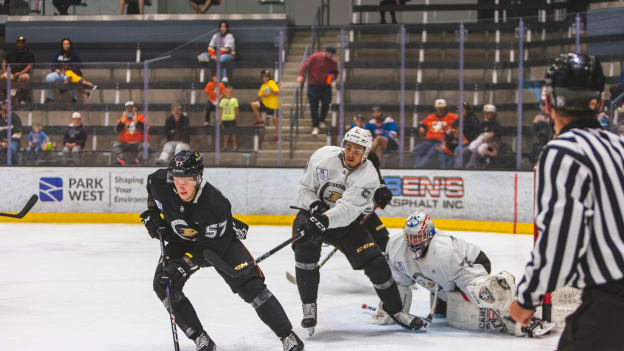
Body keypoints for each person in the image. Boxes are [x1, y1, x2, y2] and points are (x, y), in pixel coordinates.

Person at [509, 53, 624, 351]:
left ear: (548, 103)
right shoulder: (619, 147)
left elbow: (562, 237)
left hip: (612, 301)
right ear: (599, 103)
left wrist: (528, 297)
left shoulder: (563, 152)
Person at [140, 150, 304, 351]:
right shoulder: (160, 181)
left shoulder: (215, 203)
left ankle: (287, 335)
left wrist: (184, 264)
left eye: (187, 179)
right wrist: (153, 215)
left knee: (251, 286)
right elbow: (151, 188)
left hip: (219, 242)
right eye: (177, 178)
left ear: (199, 177)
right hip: (182, 239)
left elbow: (208, 250)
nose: (181, 184)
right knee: (163, 284)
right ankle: (201, 338)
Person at [291, 127, 426, 337]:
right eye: (349, 147)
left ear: (366, 153)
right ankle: (309, 307)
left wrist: (324, 219)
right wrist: (316, 206)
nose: (351, 153)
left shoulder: (369, 176)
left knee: (376, 263)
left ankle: (396, 310)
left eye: (358, 149)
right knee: (304, 255)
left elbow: (346, 211)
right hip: (312, 213)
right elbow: (304, 189)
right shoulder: (322, 156)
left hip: (343, 223)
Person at [369, 211, 555, 337]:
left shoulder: (444, 252)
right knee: (445, 313)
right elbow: (399, 282)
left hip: (473, 262)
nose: (413, 242)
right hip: (439, 280)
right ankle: (446, 300)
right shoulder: (396, 247)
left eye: (417, 237)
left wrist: (482, 293)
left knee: (482, 290)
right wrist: (393, 310)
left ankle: (524, 321)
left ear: (429, 234)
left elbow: (470, 279)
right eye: (410, 237)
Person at [296, 45, 338, 136]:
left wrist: (333, 77)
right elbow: (305, 65)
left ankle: (322, 119)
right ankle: (315, 125)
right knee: (313, 106)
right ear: (326, 51)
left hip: (326, 86)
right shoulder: (315, 56)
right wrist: (301, 75)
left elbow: (335, 72)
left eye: (332, 55)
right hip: (313, 85)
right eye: (330, 54)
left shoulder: (333, 62)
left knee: (326, 103)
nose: (331, 56)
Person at [412, 99, 458, 168]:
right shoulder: (431, 117)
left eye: (442, 108)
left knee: (431, 152)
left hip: (441, 141)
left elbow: (459, 126)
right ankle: (418, 166)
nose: (440, 110)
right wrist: (421, 127)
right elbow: (422, 124)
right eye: (438, 108)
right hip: (428, 141)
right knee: (416, 150)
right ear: (435, 108)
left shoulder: (452, 117)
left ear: (445, 108)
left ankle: (419, 168)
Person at [45, 38, 83, 103]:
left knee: (69, 79)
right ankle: (49, 97)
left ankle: (74, 98)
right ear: (62, 45)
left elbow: (79, 64)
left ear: (70, 45)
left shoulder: (74, 54)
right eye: (64, 44)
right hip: (60, 73)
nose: (66, 45)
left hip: (69, 74)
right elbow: (52, 65)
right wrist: (55, 69)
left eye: (67, 44)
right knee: (49, 78)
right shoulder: (59, 54)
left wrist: (71, 71)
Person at [1, 36, 35, 103]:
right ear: (17, 43)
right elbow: (4, 62)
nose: (21, 44)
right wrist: (5, 71)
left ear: (24, 43)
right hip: (11, 73)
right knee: (4, 76)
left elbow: (30, 66)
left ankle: (22, 98)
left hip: (23, 73)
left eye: (22, 42)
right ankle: (6, 97)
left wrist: (20, 73)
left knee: (24, 78)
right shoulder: (11, 52)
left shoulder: (29, 53)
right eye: (19, 42)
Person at [114, 101, 147, 166]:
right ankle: (121, 160)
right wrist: (122, 121)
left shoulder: (141, 117)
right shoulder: (122, 119)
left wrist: (136, 121)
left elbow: (146, 129)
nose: (130, 110)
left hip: (138, 143)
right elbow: (116, 130)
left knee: (145, 145)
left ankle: (139, 160)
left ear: (135, 109)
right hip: (125, 143)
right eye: (128, 109)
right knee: (116, 145)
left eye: (131, 108)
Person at [251, 70, 279, 140]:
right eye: (263, 77)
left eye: (266, 76)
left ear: (268, 77)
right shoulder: (263, 86)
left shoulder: (271, 83)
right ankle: (260, 120)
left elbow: (277, 92)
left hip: (272, 105)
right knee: (253, 104)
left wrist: (268, 94)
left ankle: (277, 135)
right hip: (265, 104)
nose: (265, 78)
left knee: (275, 121)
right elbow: (259, 95)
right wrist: (255, 101)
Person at [0, 99, 22, 165]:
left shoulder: (16, 118)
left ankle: (13, 167)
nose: (6, 107)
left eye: (7, 105)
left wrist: (8, 141)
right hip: (1, 141)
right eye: (4, 105)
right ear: (1, 106)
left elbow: (18, 133)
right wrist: (1, 142)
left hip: (13, 141)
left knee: (11, 149)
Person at [219, 85, 238, 151]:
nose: (228, 93)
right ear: (225, 92)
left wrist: (235, 119)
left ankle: (234, 145)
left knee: (233, 133)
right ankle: (225, 146)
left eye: (230, 92)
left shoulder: (234, 100)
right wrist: (220, 119)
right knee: (225, 133)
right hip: (225, 119)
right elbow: (221, 111)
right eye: (227, 92)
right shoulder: (222, 101)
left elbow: (236, 111)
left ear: (232, 93)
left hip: (232, 119)